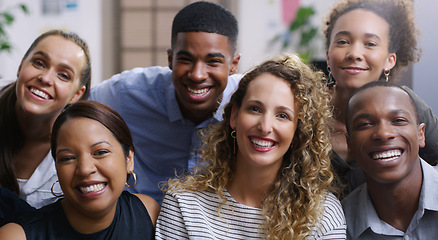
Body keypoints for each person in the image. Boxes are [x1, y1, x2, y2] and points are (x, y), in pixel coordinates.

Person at [155, 54, 346, 239]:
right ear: (234, 116)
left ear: (298, 132)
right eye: (255, 109)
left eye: (282, 115)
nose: (264, 127)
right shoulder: (184, 204)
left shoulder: (323, 215)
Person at [89, 1, 241, 204]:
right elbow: (71, 107)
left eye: (213, 62)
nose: (197, 75)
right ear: (170, 59)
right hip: (143, 222)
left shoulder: (249, 100)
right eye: (186, 59)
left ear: (234, 65)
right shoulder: (129, 92)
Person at [323, 0, 438, 195]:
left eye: (370, 44)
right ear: (328, 56)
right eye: (343, 41)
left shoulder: (408, 106)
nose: (354, 54)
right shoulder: (303, 110)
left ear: (389, 60)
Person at [0, 101, 160, 239]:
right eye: (68, 158)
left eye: (100, 152)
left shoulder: (148, 212)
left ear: (129, 159)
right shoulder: (16, 235)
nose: (84, 169)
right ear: (56, 167)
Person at [0, 29, 91, 208]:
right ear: (20, 67)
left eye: (63, 75)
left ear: (76, 94)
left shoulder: (76, 149)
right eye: (39, 63)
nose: (45, 78)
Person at [342, 81, 438, 239]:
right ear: (349, 144)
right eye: (365, 124)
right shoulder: (340, 225)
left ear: (420, 135)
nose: (384, 133)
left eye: (398, 120)